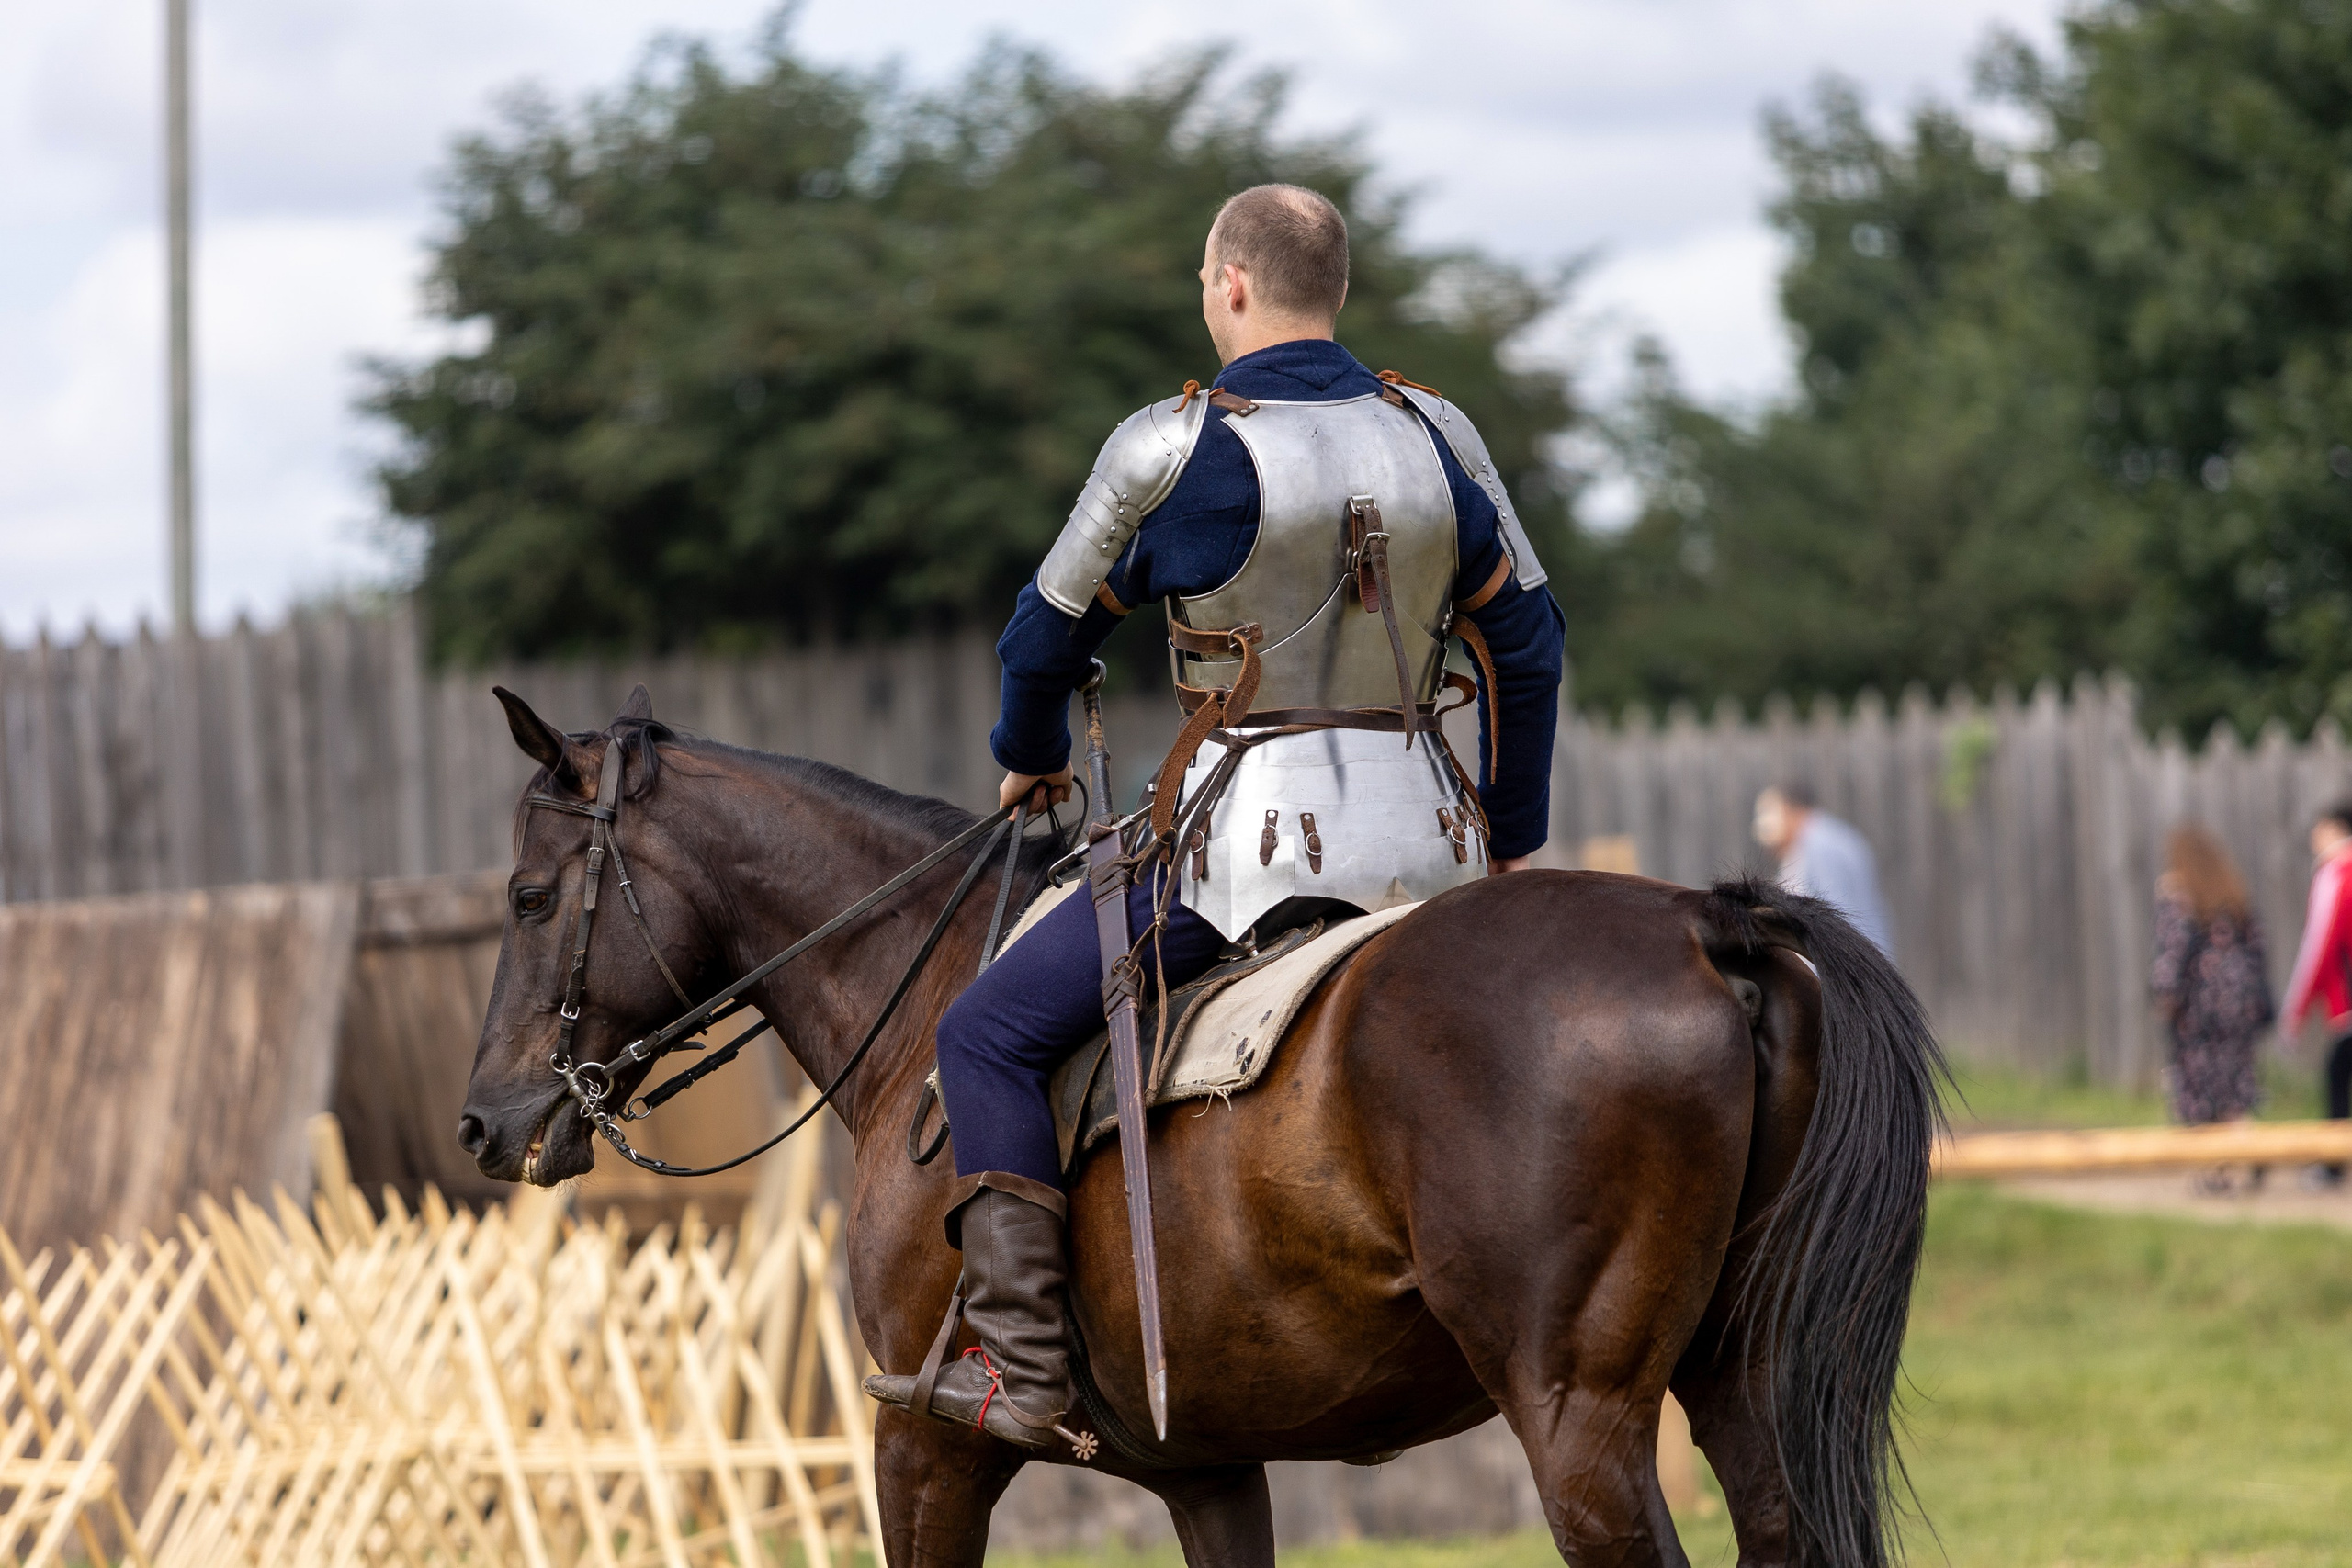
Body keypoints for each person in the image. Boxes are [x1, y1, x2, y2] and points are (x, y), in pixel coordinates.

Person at [865, 185, 1566, 1446]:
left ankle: (1025, 1371)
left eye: (1204, 279)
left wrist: (1024, 754)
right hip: (1432, 853)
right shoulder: (1439, 433)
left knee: (983, 1035)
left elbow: (1042, 638)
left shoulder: (1172, 450)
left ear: (1233, 283)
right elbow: (1530, 644)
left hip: (1234, 860)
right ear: (1332, 286)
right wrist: (1514, 830)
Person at [2149, 826, 2272, 1190]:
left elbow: (2172, 954)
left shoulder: (2179, 895)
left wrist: (2164, 996)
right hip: (2239, 1007)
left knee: (2199, 1091)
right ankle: (2249, 1148)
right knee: (2235, 1087)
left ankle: (2213, 1171)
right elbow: (2258, 949)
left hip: (2198, 1012)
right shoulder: (2233, 894)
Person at [2280, 801, 2352, 1187]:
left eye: (2319, 827)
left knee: (2336, 1075)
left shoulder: (2336, 872)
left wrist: (2295, 1010)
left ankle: (2332, 1164)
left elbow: (2319, 946)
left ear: (2333, 828)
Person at [1751, 783, 1894, 957]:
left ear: (1789, 810)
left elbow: (1837, 916)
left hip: (1849, 966)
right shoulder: (1820, 840)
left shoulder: (1820, 847)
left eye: (1769, 812)